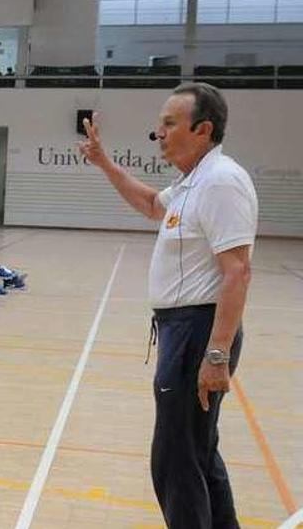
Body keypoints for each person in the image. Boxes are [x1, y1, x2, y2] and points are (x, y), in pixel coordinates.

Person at [78, 83, 255, 528]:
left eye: (170, 123)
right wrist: (104, 163)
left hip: (198, 332)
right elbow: (151, 205)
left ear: (204, 129)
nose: (158, 133)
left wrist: (216, 355)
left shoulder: (221, 182)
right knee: (196, 453)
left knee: (175, 461)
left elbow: (237, 272)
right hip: (184, 331)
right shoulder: (192, 181)